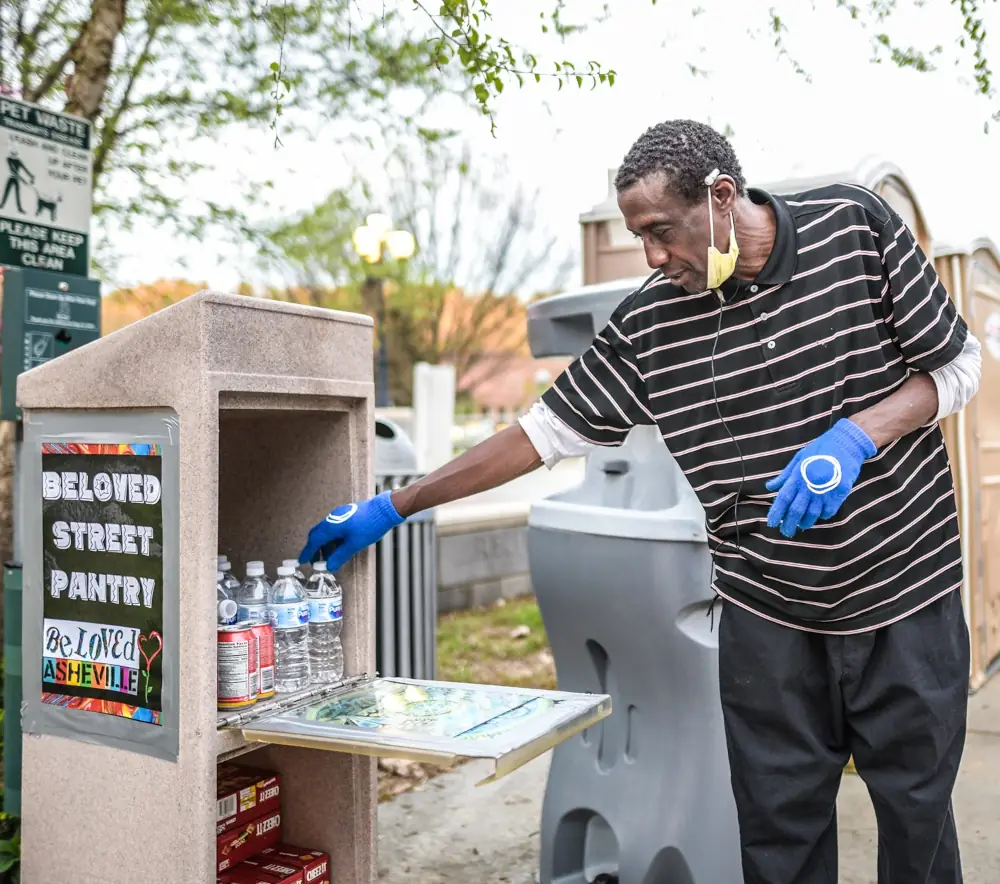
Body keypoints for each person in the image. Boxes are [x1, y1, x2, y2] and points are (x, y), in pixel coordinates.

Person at [299, 120, 981, 884]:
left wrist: (858, 435)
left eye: (662, 231)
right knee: (778, 839)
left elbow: (957, 367)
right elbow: (540, 432)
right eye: (638, 237)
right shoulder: (654, 321)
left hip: (904, 592)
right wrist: (398, 506)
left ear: (722, 197)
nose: (654, 257)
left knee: (917, 825)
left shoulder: (854, 227)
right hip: (770, 615)